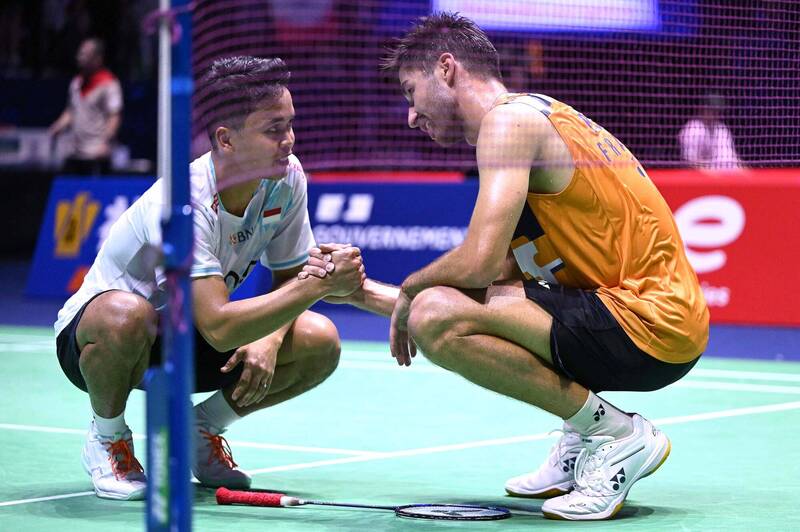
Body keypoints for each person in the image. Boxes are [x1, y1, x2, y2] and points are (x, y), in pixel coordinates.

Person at [304, 13, 709, 521]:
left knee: (433, 312)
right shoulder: (529, 121)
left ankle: (615, 434)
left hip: (648, 321)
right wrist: (360, 291)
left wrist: (409, 287)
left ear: (446, 69)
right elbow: (488, 295)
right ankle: (585, 433)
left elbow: (474, 267)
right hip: (643, 320)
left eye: (411, 92)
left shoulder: (508, 123)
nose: (410, 116)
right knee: (438, 309)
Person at [54, 56, 364, 500]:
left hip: (190, 335)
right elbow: (220, 324)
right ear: (226, 139)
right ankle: (108, 438)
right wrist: (321, 284)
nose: (289, 140)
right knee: (126, 314)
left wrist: (270, 338)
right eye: (273, 129)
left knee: (319, 340)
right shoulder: (184, 200)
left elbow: (290, 277)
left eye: (290, 125)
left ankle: (201, 428)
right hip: (108, 339)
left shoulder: (287, 178)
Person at [48, 38, 123, 175]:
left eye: (85, 54)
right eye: (80, 54)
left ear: (98, 59)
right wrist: (58, 125)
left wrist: (105, 143)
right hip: (75, 151)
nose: (80, 58)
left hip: (97, 152)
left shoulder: (109, 83)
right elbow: (72, 110)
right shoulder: (76, 82)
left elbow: (114, 116)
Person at [678, 93, 741, 169]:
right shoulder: (692, 129)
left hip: (723, 173)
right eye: (712, 110)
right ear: (702, 109)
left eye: (718, 111)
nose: (716, 114)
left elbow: (731, 158)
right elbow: (690, 163)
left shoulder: (721, 128)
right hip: (698, 174)